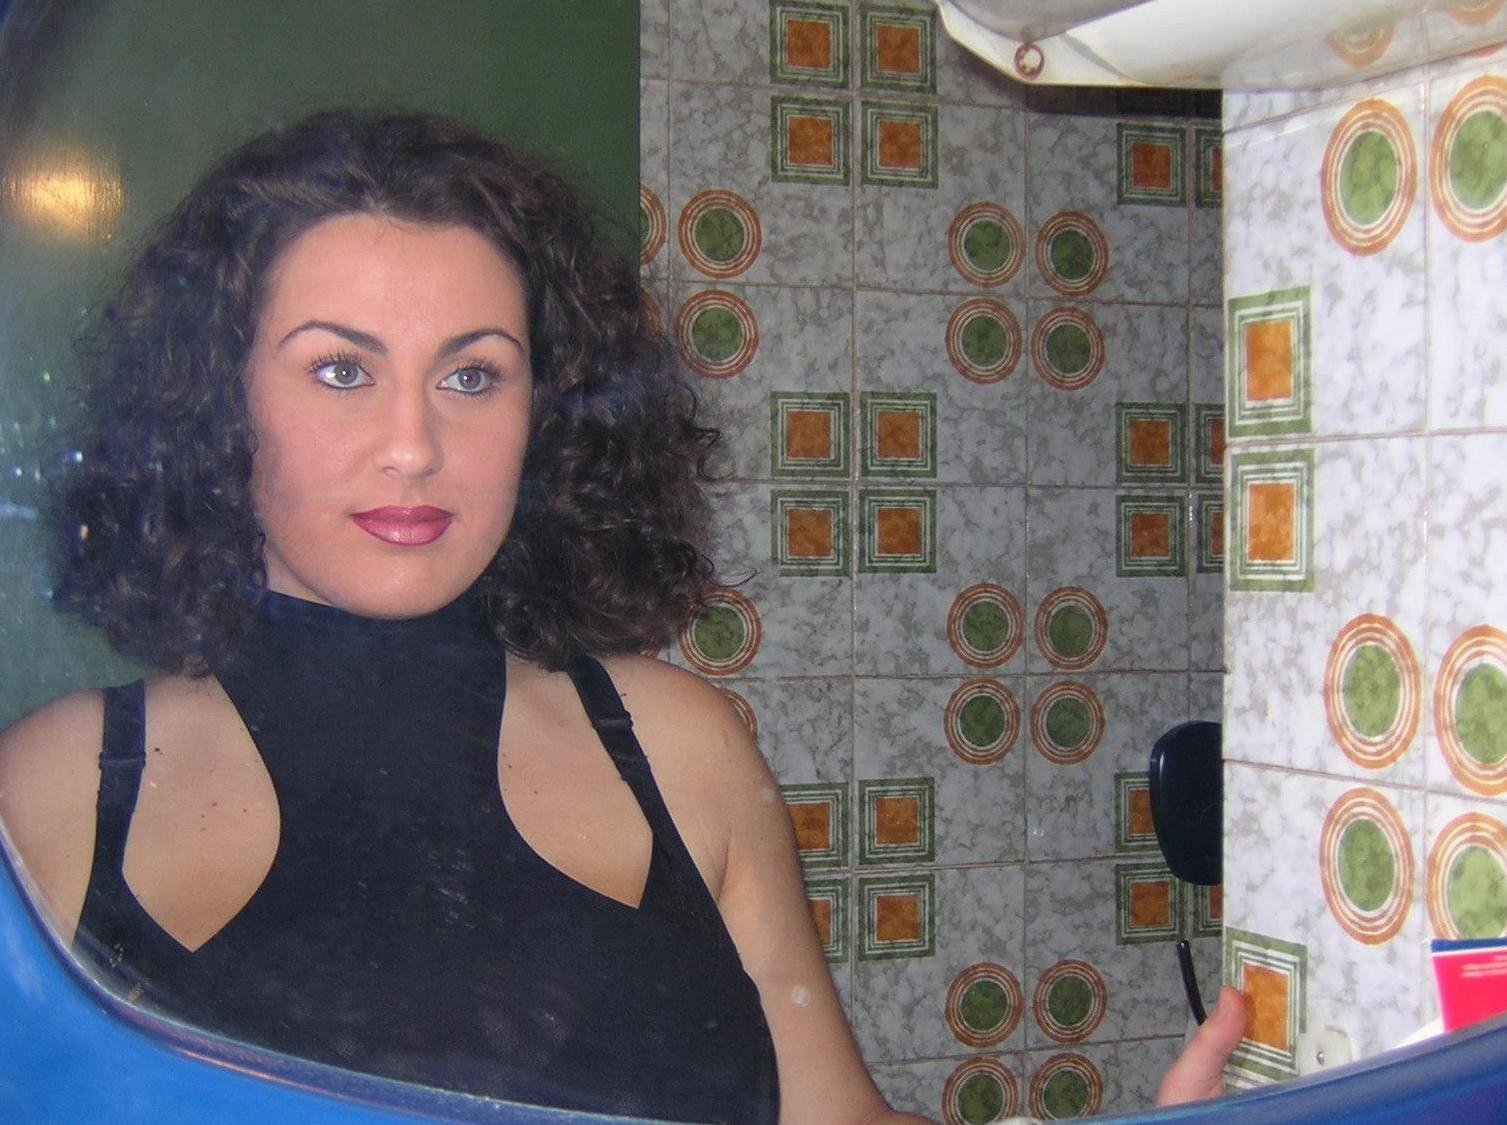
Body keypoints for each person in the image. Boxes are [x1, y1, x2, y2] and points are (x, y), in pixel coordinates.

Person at [0, 110, 1242, 1123]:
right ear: (219, 406)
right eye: (341, 370)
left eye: (472, 374)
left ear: (544, 413)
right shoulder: (53, 795)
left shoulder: (676, 745)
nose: (413, 444)